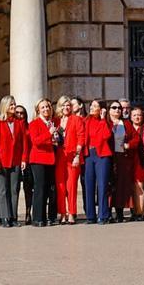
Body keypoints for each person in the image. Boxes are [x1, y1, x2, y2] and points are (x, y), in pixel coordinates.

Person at [0, 96, 25, 227]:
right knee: (3, 190)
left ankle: (13, 217)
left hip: (15, 161)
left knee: (14, 189)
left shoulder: (19, 122)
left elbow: (23, 144)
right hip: (1, 161)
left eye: (14, 104)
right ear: (5, 106)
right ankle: (4, 217)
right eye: (11, 105)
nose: (14, 107)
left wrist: (23, 159)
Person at [25, 99, 57, 227]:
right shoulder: (34, 123)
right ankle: (37, 218)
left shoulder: (51, 123)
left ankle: (45, 217)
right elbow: (36, 141)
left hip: (50, 158)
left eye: (47, 107)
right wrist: (49, 134)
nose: (45, 109)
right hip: (38, 159)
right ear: (38, 110)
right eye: (42, 108)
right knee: (39, 188)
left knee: (48, 188)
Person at [82, 99, 114, 224]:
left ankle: (103, 215)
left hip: (102, 155)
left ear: (101, 109)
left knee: (102, 185)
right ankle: (90, 216)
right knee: (89, 185)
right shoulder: (86, 121)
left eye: (95, 106)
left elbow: (106, 136)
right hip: (88, 155)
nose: (91, 107)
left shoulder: (105, 122)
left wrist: (102, 119)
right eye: (91, 105)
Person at [55, 95, 84, 224]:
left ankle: (72, 213)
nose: (66, 107)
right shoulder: (56, 121)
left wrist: (77, 155)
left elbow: (81, 137)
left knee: (71, 186)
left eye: (68, 105)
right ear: (60, 107)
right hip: (59, 156)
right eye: (64, 105)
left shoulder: (76, 119)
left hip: (72, 156)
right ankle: (62, 213)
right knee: (60, 186)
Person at [109, 99, 140, 222]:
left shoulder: (126, 123)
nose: (117, 110)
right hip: (109, 158)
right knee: (110, 186)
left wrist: (129, 145)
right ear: (109, 110)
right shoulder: (106, 123)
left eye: (119, 108)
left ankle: (120, 213)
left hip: (123, 158)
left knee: (122, 186)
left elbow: (136, 138)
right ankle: (108, 212)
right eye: (114, 108)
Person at [128, 106, 144, 221]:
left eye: (139, 115)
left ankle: (140, 212)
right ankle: (133, 211)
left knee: (140, 186)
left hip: (141, 160)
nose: (137, 117)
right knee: (131, 187)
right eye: (134, 115)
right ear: (131, 117)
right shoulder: (127, 128)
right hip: (129, 160)